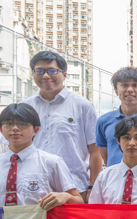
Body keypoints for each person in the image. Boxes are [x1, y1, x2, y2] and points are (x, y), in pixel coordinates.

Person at [22, 50, 98, 199]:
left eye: (52, 71)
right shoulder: (24, 107)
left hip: (74, 187)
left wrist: (93, 187)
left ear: (64, 74)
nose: (45, 75)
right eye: (39, 71)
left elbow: (95, 151)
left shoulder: (83, 106)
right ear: (33, 74)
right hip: (32, 186)